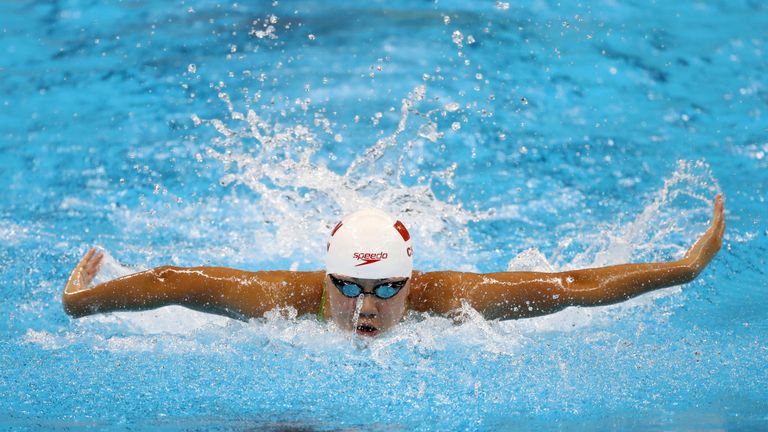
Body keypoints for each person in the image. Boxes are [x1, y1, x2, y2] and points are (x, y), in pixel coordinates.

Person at [63, 195, 725, 337]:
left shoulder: (452, 299)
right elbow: (171, 281)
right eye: (347, 287)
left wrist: (684, 266)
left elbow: (571, 288)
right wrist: (79, 302)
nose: (367, 306)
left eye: (386, 289)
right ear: (324, 278)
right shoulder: (276, 299)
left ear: (413, 282)